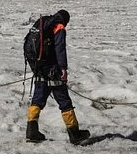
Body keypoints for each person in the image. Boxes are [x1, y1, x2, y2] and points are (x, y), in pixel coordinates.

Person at [25, 9, 91, 144]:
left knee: (38, 99)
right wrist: (63, 68)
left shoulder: (42, 23)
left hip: (39, 67)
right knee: (64, 100)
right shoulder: (58, 26)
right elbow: (60, 48)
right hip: (52, 69)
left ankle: (31, 130)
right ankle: (74, 133)